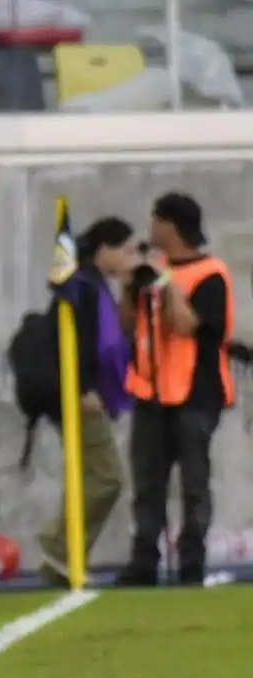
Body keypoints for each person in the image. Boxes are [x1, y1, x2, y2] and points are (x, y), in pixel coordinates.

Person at [116, 193, 236, 586]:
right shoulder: (154, 268)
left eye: (155, 220)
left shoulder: (210, 273)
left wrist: (165, 283)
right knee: (148, 482)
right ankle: (144, 560)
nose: (149, 228)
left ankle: (190, 563)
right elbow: (126, 324)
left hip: (195, 394)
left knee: (193, 484)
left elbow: (188, 326)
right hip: (151, 392)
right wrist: (131, 283)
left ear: (170, 225)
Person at [36, 217, 138, 585]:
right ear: (105, 249)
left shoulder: (98, 287)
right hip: (81, 398)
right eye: (125, 250)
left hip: (91, 396)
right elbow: (76, 340)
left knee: (95, 476)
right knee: (108, 477)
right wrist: (82, 388)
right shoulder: (84, 286)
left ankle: (65, 553)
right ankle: (59, 544)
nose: (129, 258)